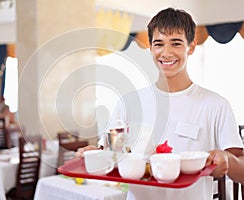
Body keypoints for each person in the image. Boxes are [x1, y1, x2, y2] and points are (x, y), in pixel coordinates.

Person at [75, 7, 244, 200]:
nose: (166, 52)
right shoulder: (129, 102)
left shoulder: (215, 105)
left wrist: (228, 161)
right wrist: (95, 154)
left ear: (191, 47)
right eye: (159, 44)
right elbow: (112, 155)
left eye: (176, 43)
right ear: (151, 48)